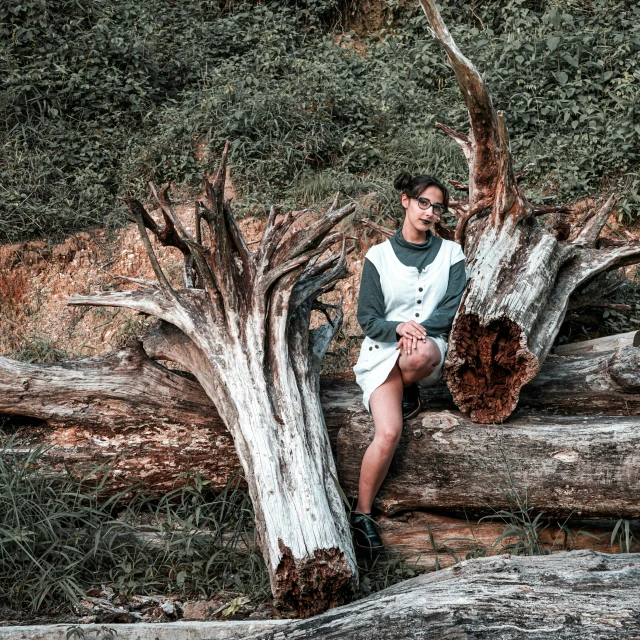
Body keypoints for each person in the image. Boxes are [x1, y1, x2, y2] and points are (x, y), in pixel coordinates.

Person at [350, 172, 467, 553]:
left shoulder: (451, 253)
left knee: (419, 352)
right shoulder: (378, 257)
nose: (430, 213)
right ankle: (362, 515)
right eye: (424, 203)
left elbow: (451, 307)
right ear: (406, 201)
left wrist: (416, 329)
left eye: (437, 207)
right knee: (387, 434)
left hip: (426, 349)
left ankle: (410, 388)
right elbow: (367, 319)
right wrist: (396, 327)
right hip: (382, 352)